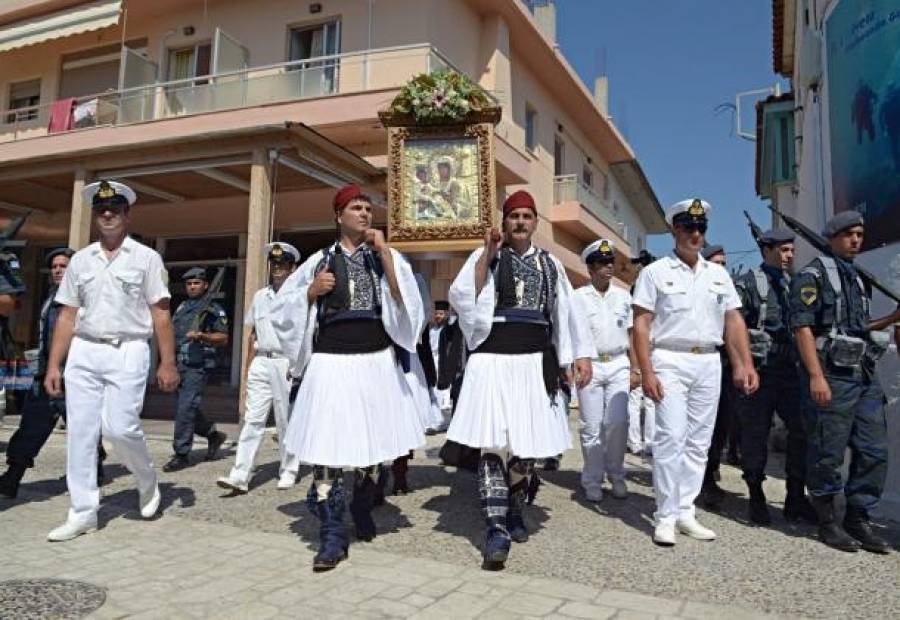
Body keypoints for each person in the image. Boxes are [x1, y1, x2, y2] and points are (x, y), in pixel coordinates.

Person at [271, 184, 425, 571]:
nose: (365, 214)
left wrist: (385, 252)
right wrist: (310, 292)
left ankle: (361, 504)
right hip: (331, 363)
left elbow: (407, 303)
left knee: (372, 450)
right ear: (338, 216)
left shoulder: (385, 257)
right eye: (356, 208)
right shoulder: (319, 260)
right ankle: (332, 535)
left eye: (368, 208)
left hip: (376, 362)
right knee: (328, 451)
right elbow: (282, 311)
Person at [446, 189, 593, 570]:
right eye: (514, 216)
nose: (521, 222)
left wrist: (578, 355)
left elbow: (566, 312)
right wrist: (487, 253)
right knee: (494, 444)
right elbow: (462, 296)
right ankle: (496, 528)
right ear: (505, 222)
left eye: (527, 216)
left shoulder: (550, 263)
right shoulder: (487, 256)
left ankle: (513, 505)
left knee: (527, 449)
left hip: (534, 362)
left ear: (535, 222)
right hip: (492, 360)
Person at [43, 180, 179, 541]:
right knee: (81, 434)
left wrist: (168, 362)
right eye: (101, 209)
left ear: (126, 215)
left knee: (120, 428)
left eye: (114, 209)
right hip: (84, 350)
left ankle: (146, 479)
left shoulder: (146, 258)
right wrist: (54, 364)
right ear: (94, 216)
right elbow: (67, 316)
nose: (107, 214)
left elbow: (161, 313)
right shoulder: (81, 260)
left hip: (128, 349)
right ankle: (83, 512)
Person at [632, 199, 758, 547]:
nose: (696, 234)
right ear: (675, 230)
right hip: (670, 358)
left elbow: (733, 320)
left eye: (701, 228)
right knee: (671, 438)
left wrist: (744, 363)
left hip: (708, 361)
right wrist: (646, 371)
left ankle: (685, 510)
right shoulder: (655, 272)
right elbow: (641, 324)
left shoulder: (718, 275)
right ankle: (665, 515)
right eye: (689, 227)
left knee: (699, 442)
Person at [789, 210, 899, 554]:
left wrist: (891, 319)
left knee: (874, 449)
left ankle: (858, 517)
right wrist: (816, 376)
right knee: (828, 449)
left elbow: (857, 328)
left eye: (859, 235)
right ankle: (827, 521)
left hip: (862, 374)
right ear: (832, 237)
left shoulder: (858, 278)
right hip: (831, 374)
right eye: (849, 234)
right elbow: (803, 328)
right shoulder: (812, 276)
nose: (855, 240)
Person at [0, 249, 107, 498]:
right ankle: (12, 477)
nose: (58, 270)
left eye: (63, 266)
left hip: (75, 375)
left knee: (84, 429)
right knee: (31, 426)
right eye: (55, 266)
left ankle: (93, 471)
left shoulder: (86, 298)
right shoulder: (51, 297)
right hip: (46, 374)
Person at [733, 228, 816, 525]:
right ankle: (756, 494)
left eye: (792, 250)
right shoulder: (748, 283)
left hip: (789, 368)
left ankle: (795, 495)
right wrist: (742, 365)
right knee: (756, 432)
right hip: (760, 368)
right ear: (766, 250)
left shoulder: (795, 283)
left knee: (802, 428)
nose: (789, 255)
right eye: (783, 250)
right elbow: (733, 325)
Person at [217, 242, 301, 493]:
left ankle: (289, 469)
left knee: (285, 420)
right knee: (252, 419)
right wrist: (247, 368)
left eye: (283, 263)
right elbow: (253, 333)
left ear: (292, 267)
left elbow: (304, 334)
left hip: (285, 361)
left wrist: (298, 365)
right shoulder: (260, 296)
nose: (277, 267)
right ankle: (240, 474)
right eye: (274, 263)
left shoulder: (299, 296)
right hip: (262, 360)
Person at [574, 238, 639, 502]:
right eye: (602, 263)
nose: (609, 266)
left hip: (618, 363)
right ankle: (592, 478)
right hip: (590, 363)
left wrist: (636, 368)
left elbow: (632, 334)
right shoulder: (578, 297)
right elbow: (573, 335)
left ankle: (616, 474)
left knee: (618, 422)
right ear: (590, 268)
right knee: (591, 425)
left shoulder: (623, 296)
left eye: (610, 261)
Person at [162, 267, 229, 472]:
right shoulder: (182, 307)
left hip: (198, 365)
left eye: (197, 283)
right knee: (187, 407)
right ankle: (212, 435)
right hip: (179, 363)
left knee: (185, 407)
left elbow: (223, 337)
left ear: (205, 285)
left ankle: (181, 454)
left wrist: (202, 336)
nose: (192, 286)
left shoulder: (212, 308)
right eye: (189, 283)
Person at [697, 244, 739, 509]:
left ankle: (710, 470)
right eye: (716, 263)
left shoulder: (730, 293)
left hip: (726, 367)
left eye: (724, 264)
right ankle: (701, 479)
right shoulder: (698, 292)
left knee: (723, 423)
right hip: (702, 363)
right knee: (702, 427)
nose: (721, 268)